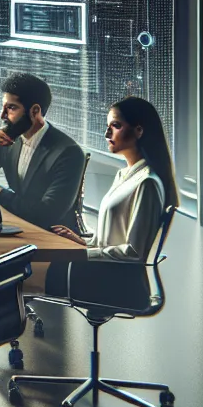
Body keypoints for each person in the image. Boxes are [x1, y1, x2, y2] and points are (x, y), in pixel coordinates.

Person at [45, 96, 178, 301]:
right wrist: (82, 242)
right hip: (104, 272)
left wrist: (83, 254)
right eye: (108, 126)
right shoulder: (124, 175)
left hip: (119, 282)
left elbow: (134, 253)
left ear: (138, 131)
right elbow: (110, 240)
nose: (107, 133)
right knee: (46, 264)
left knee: (38, 271)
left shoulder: (147, 183)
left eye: (115, 126)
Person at [0, 72, 85, 231]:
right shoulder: (7, 140)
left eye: (11, 108)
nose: (2, 115)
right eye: (3, 107)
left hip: (54, 240)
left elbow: (46, 213)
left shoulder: (69, 153)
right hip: (19, 229)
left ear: (35, 111)